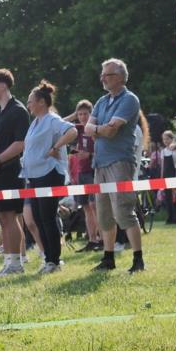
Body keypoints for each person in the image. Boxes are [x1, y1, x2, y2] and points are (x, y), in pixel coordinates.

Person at [86, 58, 145, 273]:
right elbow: (88, 128)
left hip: (120, 162)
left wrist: (97, 129)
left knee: (123, 211)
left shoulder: (129, 100)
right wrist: (101, 128)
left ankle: (138, 260)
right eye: (102, 75)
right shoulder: (102, 101)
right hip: (100, 163)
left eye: (107, 75)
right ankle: (108, 258)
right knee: (103, 214)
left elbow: (111, 131)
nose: (102, 78)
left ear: (120, 77)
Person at [21, 81, 78, 274]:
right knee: (37, 217)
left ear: (41, 102)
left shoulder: (52, 119)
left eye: (30, 101)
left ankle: (54, 260)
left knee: (47, 216)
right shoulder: (34, 123)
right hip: (34, 176)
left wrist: (55, 148)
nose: (28, 105)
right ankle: (48, 258)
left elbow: (72, 131)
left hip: (49, 173)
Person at [0, 69, 31, 277]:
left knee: (11, 216)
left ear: (3, 85)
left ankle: (16, 263)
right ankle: (9, 261)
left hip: (10, 170)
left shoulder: (19, 111)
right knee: (2, 217)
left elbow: (20, 144)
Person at [66, 101, 101, 250]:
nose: (82, 117)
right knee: (86, 206)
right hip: (82, 171)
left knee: (95, 206)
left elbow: (104, 149)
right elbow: (59, 122)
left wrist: (90, 154)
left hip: (94, 170)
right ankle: (92, 240)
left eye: (85, 114)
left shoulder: (96, 128)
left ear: (91, 114)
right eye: (80, 114)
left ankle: (102, 239)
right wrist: (74, 115)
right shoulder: (79, 129)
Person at [160, 131, 176, 224]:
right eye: (164, 139)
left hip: (174, 174)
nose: (166, 141)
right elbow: (163, 165)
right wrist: (161, 177)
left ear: (172, 139)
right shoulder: (163, 151)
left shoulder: (175, 150)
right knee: (167, 197)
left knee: (175, 197)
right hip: (166, 176)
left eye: (167, 139)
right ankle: (169, 217)